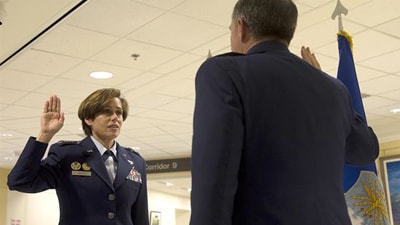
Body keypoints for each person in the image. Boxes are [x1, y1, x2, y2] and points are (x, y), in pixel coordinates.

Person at [189, 0, 379, 225]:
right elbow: (366, 150)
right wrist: (326, 86)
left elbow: (214, 183)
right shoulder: (334, 90)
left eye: (230, 30)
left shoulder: (224, 74)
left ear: (241, 28)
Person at [8, 88, 149, 225]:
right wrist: (45, 134)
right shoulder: (67, 155)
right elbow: (19, 182)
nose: (115, 118)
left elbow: (140, 217)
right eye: (107, 112)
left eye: (119, 113)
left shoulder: (135, 162)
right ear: (88, 119)